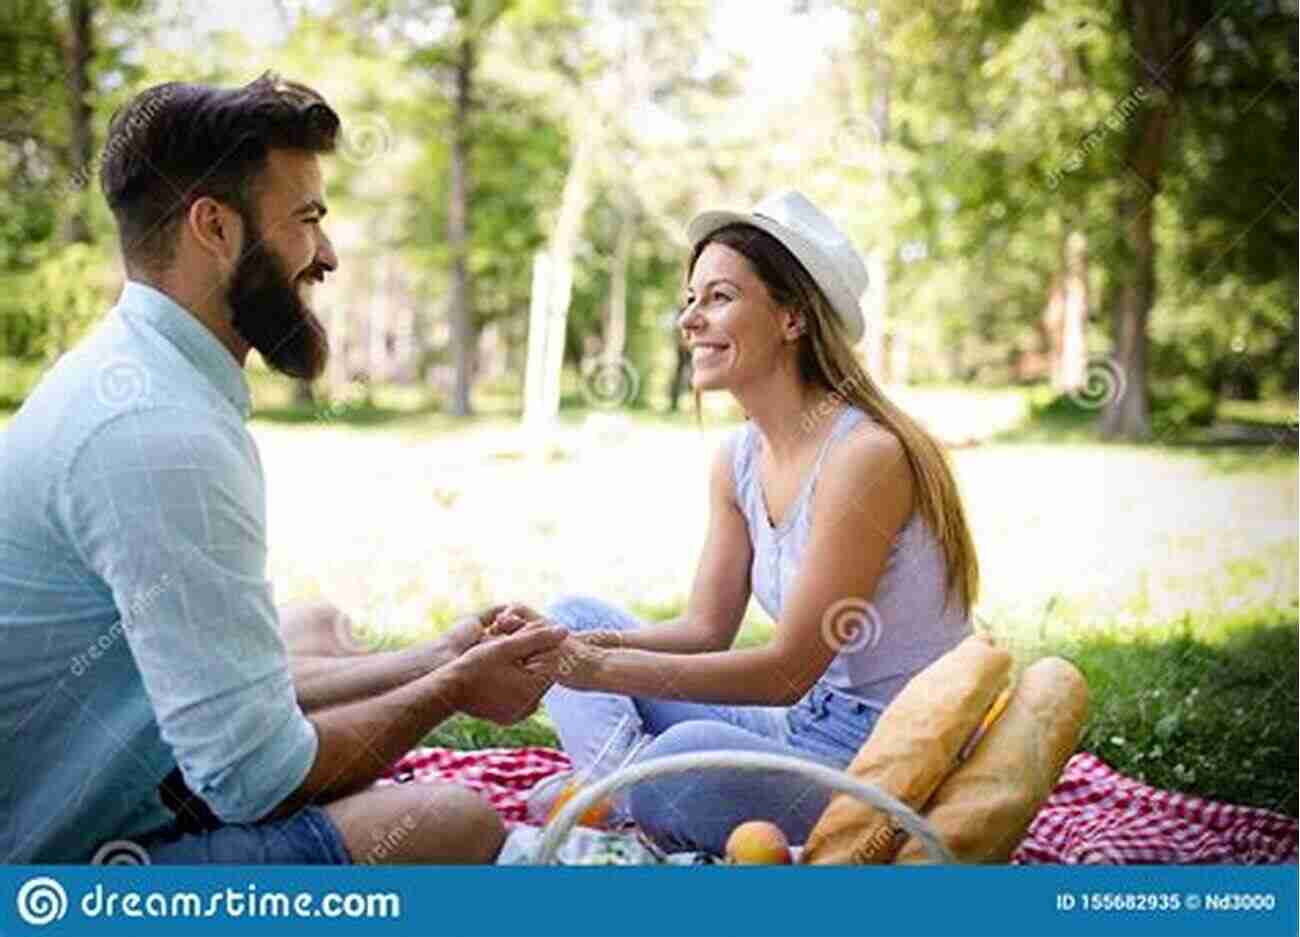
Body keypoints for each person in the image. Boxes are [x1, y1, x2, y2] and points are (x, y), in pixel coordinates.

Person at [0, 74, 566, 864]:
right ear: (215, 228)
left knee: (316, 627)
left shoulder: (133, 370)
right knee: (458, 821)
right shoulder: (158, 430)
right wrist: (456, 692)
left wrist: (444, 655)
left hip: (128, 763)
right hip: (64, 872)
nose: (326, 254)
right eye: (306, 220)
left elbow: (234, 702)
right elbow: (256, 777)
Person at [541, 190, 980, 855]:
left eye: (718, 297)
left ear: (793, 318)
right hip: (797, 725)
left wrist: (597, 672)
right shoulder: (739, 458)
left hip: (884, 758)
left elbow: (785, 671)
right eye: (690, 299)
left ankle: (624, 791)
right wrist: (563, 649)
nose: (690, 319)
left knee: (685, 757)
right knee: (567, 613)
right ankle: (626, 789)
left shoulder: (864, 456)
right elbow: (704, 630)